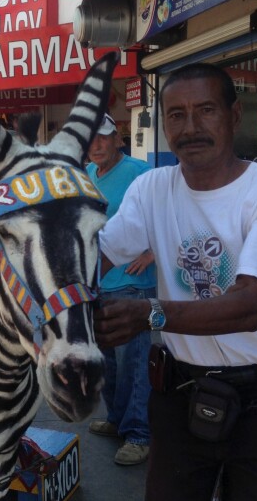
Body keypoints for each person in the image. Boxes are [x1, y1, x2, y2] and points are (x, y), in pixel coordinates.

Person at [94, 63, 257, 500]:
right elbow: (95, 258)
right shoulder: (152, 189)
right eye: (176, 115)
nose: (190, 127)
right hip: (180, 397)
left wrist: (150, 314)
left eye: (206, 110)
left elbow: (250, 305)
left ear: (234, 116)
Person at [84, 114, 156, 466]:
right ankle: (116, 420)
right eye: (91, 139)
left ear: (118, 140)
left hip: (130, 285)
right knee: (108, 361)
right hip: (96, 282)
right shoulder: (87, 175)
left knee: (134, 363)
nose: (96, 145)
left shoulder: (139, 173)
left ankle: (139, 434)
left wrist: (152, 251)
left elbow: (167, 212)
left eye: (103, 138)